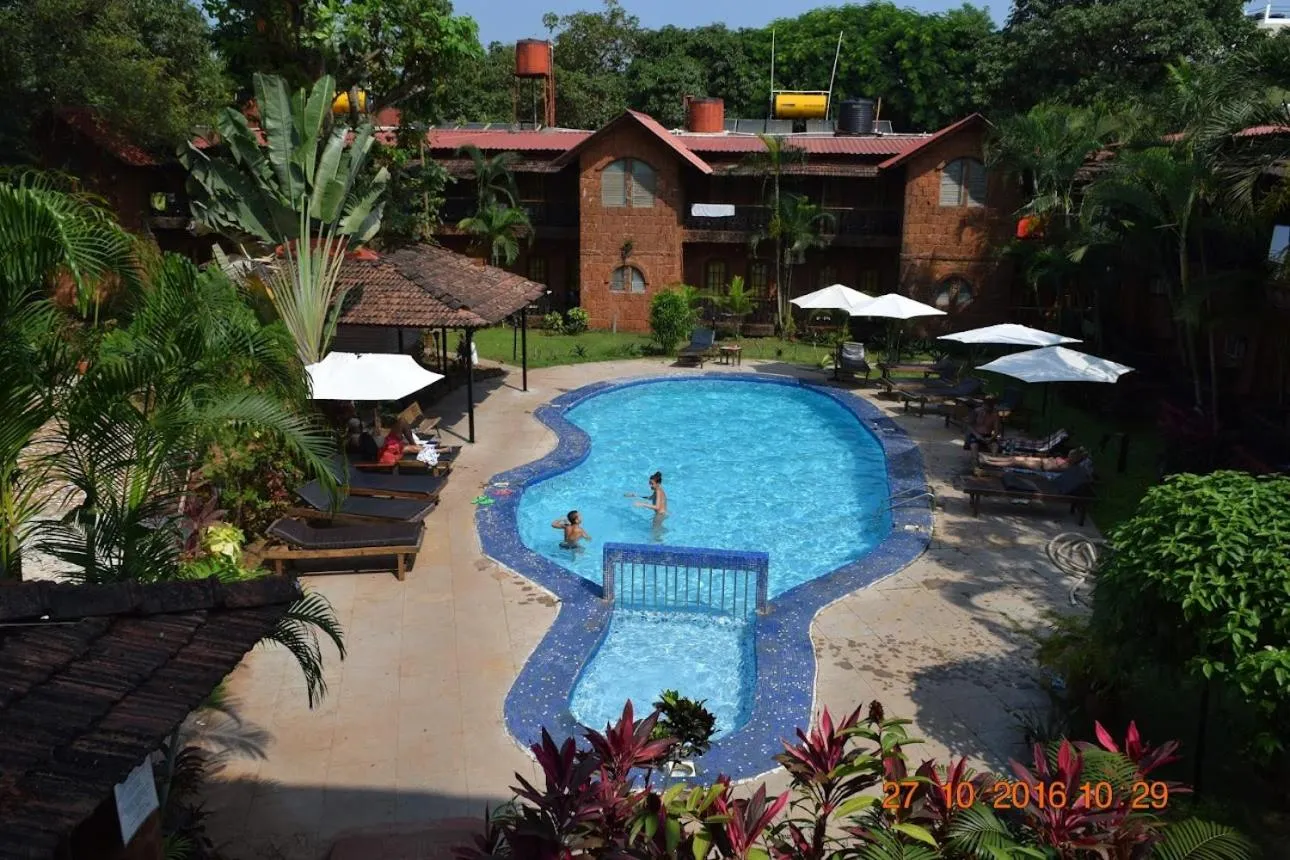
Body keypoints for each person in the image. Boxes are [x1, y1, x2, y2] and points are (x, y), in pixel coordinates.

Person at [978, 446, 1089, 473]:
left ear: (1074, 458)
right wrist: (1053, 459)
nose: (1068, 455)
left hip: (1039, 466)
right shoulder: (1066, 461)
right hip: (1039, 461)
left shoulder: (1067, 466)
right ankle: (990, 458)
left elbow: (1049, 467)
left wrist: (1052, 460)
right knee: (1013, 458)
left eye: (1071, 454)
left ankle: (988, 462)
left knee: (1013, 462)